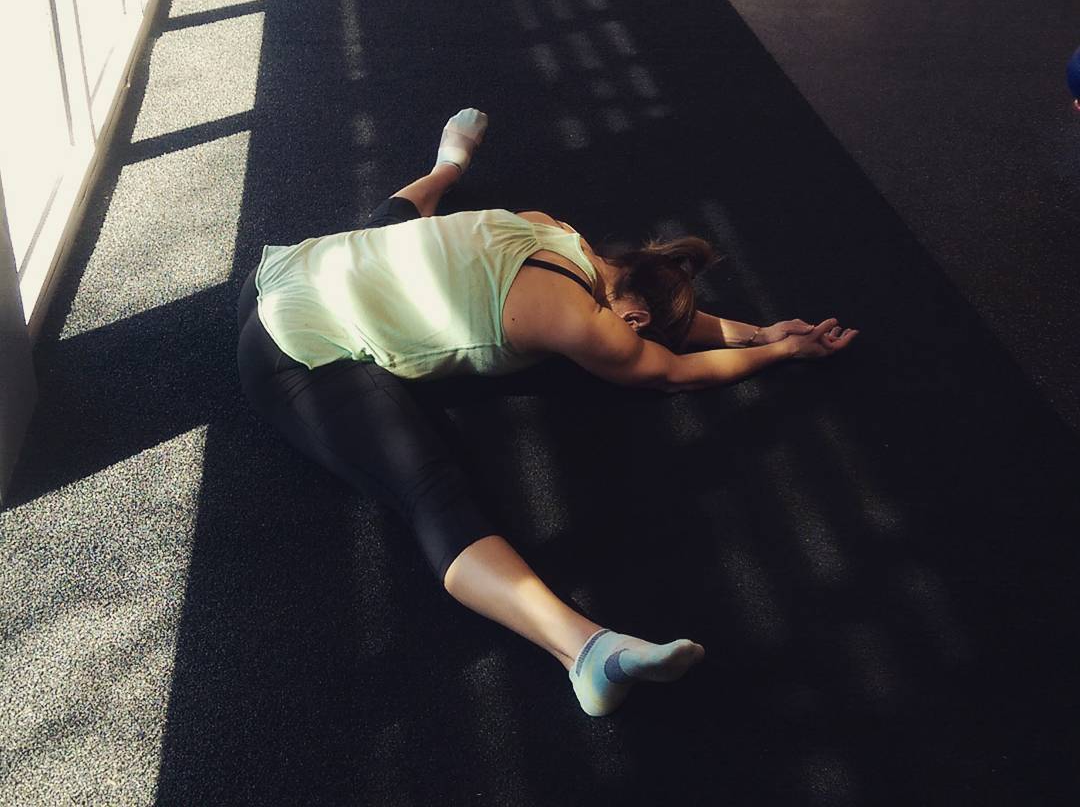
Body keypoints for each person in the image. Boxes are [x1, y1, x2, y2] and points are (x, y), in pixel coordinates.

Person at [236, 109, 859, 717]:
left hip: (298, 262)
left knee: (394, 227)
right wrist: (781, 353)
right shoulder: (589, 326)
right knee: (430, 491)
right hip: (288, 345)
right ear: (634, 320)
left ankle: (448, 164)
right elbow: (674, 374)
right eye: (645, 331)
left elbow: (671, 318)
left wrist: (760, 331)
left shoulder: (552, 229)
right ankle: (585, 652)